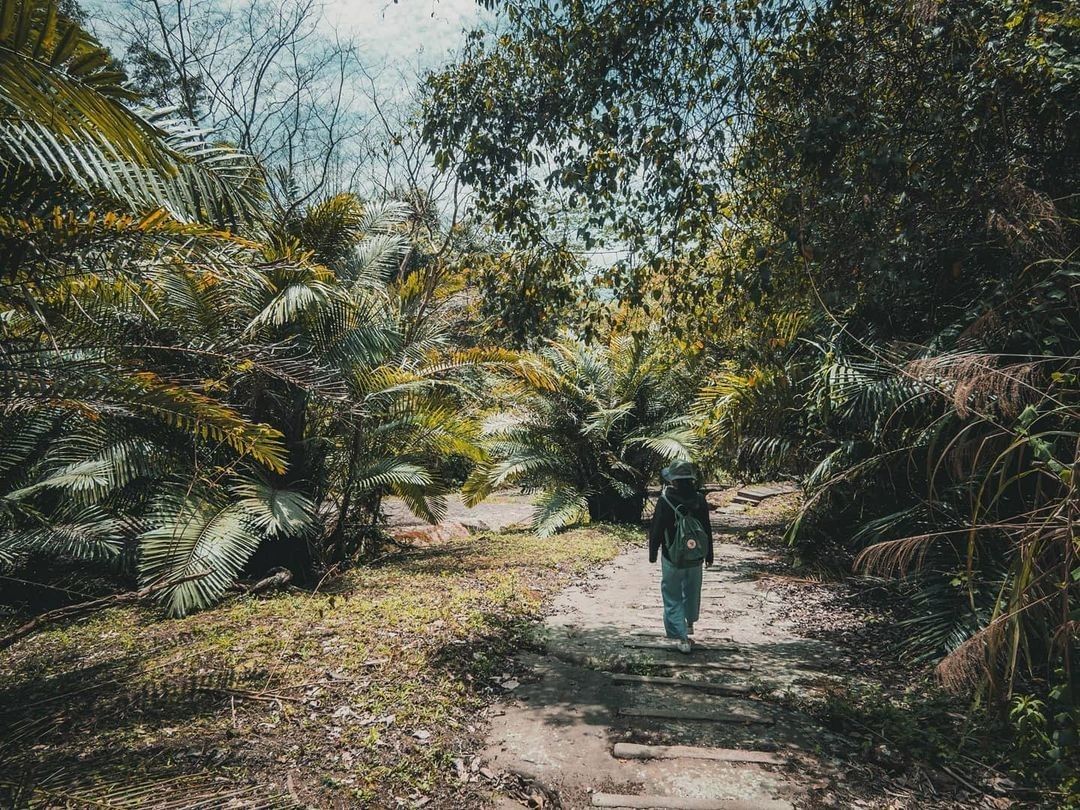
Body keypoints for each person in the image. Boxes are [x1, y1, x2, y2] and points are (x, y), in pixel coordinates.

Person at [648, 460, 713, 653]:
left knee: (672, 593)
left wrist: (653, 553)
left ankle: (681, 636)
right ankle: (690, 622)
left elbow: (657, 528)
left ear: (674, 481)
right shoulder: (700, 499)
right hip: (695, 556)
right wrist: (709, 554)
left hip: (671, 555)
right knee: (692, 590)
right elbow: (707, 529)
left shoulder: (665, 499)